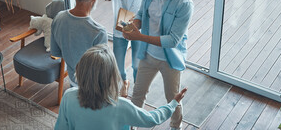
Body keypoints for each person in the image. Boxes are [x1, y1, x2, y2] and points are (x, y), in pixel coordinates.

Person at [123, 0, 194, 130]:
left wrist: (139, 37)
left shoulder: (184, 4)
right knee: (138, 94)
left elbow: (172, 40)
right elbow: (141, 13)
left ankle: (176, 127)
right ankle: (133, 126)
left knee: (173, 99)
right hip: (148, 55)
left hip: (170, 60)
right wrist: (133, 25)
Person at [54, 44, 187, 130]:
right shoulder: (121, 105)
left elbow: (61, 128)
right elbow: (151, 119)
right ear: (112, 76)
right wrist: (173, 104)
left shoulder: (68, 96)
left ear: (80, 70)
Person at [98, 0, 149, 97]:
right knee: (119, 66)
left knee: (136, 65)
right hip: (122, 24)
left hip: (139, 26)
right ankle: (124, 81)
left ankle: (139, 90)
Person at [51, 0, 108, 87]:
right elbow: (102, 70)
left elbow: (56, 52)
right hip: (93, 86)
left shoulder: (58, 18)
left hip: (73, 81)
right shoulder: (98, 32)